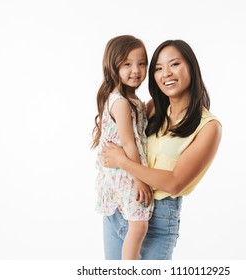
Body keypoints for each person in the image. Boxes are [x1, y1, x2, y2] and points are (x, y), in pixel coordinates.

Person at [101, 39, 222, 260]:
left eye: (174, 64)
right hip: (120, 209)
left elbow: (174, 182)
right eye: (158, 68)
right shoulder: (151, 108)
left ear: (191, 68)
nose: (166, 73)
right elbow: (123, 137)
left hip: (158, 221)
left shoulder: (209, 127)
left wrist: (124, 162)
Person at [91, 35, 154, 260]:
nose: (135, 70)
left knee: (136, 225)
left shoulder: (130, 100)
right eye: (127, 64)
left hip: (122, 170)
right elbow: (129, 142)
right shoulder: (120, 102)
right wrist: (140, 179)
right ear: (113, 65)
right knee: (138, 227)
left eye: (141, 63)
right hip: (126, 173)